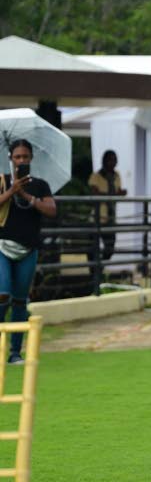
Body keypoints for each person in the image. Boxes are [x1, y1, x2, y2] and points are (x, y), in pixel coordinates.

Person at [0, 139, 57, 364]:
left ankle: (15, 352)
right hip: (2, 246)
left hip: (28, 249)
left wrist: (26, 196)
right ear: (10, 159)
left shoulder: (40, 185)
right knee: (2, 294)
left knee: (20, 301)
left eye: (25, 157)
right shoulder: (3, 181)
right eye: (17, 157)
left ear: (31, 158)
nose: (21, 160)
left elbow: (51, 210)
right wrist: (12, 190)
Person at [88, 150, 127, 262]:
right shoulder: (96, 176)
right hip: (97, 216)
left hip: (111, 217)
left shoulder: (117, 176)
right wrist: (113, 195)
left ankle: (100, 268)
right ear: (104, 161)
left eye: (114, 160)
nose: (113, 162)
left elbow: (118, 192)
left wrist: (120, 193)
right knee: (92, 249)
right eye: (110, 159)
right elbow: (95, 193)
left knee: (110, 249)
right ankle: (94, 273)